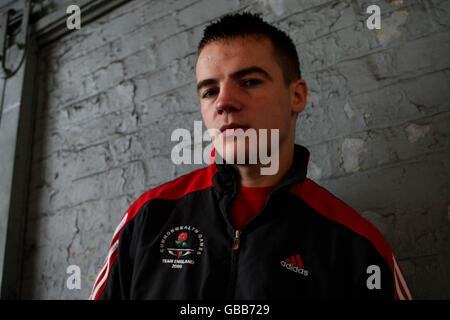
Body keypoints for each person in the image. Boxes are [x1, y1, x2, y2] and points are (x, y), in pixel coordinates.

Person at [89, 12, 412, 300]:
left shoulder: (354, 243)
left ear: (296, 95)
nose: (224, 102)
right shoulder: (147, 219)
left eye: (250, 81)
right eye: (210, 90)